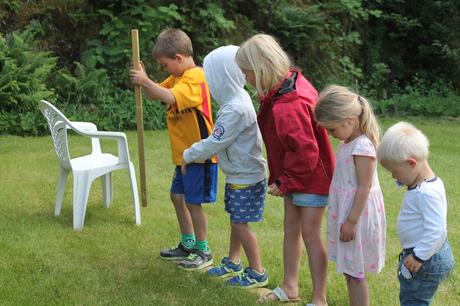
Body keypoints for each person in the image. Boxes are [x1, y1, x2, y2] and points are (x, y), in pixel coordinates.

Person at [236, 34, 334, 305]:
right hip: (292, 175)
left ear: (261, 68)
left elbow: (307, 153)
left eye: (246, 72)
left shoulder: (291, 104)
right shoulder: (281, 90)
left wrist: (285, 181)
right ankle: (290, 286)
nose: (245, 78)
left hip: (311, 179)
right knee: (291, 229)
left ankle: (319, 298)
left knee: (311, 235)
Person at [129, 28, 218, 270]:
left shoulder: (196, 78)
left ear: (178, 58)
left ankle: (203, 250)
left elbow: (168, 97)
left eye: (165, 64)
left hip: (200, 155)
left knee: (192, 202)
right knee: (177, 196)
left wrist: (146, 81)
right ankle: (187, 244)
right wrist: (145, 79)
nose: (164, 69)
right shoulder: (178, 76)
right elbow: (155, 94)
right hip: (184, 157)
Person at [182, 45, 269, 287]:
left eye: (212, 77)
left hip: (246, 177)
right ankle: (233, 261)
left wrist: (188, 154)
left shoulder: (235, 109)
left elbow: (214, 143)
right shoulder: (237, 100)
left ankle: (257, 271)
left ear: (223, 77)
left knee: (239, 223)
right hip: (240, 174)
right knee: (236, 220)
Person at [314, 85, 386, 306]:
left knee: (355, 272)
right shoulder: (349, 142)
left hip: (357, 216)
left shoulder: (362, 146)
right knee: (350, 270)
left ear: (348, 121)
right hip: (348, 213)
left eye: (332, 130)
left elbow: (364, 187)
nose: (331, 135)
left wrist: (351, 222)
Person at [377, 121, 454, 306]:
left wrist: (419, 256)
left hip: (425, 259)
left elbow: (437, 230)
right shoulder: (425, 183)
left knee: (413, 300)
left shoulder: (427, 193)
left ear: (411, 163)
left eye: (395, 172)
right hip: (429, 255)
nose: (394, 177)